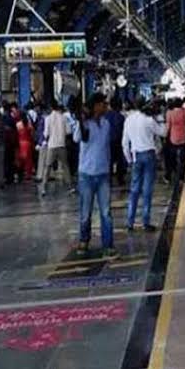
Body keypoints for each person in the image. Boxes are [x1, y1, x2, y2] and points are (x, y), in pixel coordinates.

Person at [74, 93, 116, 257]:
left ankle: (108, 244)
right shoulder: (85, 124)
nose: (105, 106)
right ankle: (84, 240)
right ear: (96, 106)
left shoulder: (106, 124)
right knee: (86, 211)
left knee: (106, 212)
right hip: (86, 175)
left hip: (103, 174)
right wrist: (81, 121)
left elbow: (107, 147)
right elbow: (77, 138)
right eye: (103, 104)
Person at [122, 97, 165, 232]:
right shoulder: (149, 120)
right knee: (147, 190)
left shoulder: (129, 120)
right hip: (149, 155)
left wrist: (129, 159)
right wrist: (159, 117)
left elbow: (125, 143)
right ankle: (146, 222)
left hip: (136, 155)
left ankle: (130, 222)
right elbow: (163, 132)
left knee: (134, 190)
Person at [40, 99, 73, 196]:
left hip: (52, 145)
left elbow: (46, 133)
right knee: (66, 166)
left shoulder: (48, 119)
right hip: (61, 145)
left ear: (50, 108)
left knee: (47, 167)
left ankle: (43, 188)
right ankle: (70, 187)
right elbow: (68, 131)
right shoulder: (63, 118)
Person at [166, 98, 185, 187]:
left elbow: (168, 127)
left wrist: (166, 135)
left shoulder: (170, 113)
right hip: (183, 139)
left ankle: (174, 172)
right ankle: (181, 177)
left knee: (172, 158)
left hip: (173, 139)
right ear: (181, 104)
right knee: (182, 159)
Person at [105, 98, 127, 185]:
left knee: (109, 161)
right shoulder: (121, 117)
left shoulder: (106, 116)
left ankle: (109, 180)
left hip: (108, 142)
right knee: (120, 161)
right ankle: (120, 179)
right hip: (119, 141)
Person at [16, 113, 35, 180]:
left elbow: (16, 134)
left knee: (20, 160)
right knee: (28, 160)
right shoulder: (29, 124)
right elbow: (32, 135)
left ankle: (20, 174)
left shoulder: (18, 124)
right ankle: (28, 174)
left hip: (20, 143)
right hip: (28, 143)